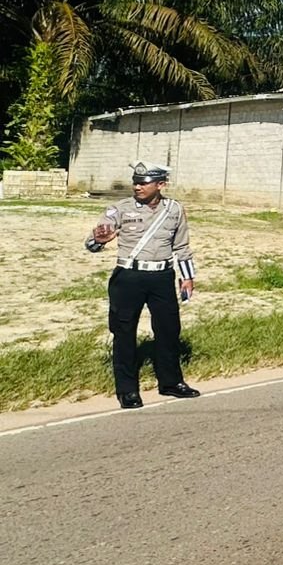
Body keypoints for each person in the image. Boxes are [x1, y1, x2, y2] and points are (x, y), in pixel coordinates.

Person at [84, 162, 202, 409]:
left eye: (143, 183)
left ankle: (171, 382)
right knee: (124, 333)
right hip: (129, 277)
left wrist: (187, 277)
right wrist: (98, 241)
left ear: (160, 184)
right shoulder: (119, 209)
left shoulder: (174, 209)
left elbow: (182, 246)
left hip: (162, 277)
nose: (137, 187)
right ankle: (127, 390)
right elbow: (93, 243)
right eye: (135, 182)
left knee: (169, 330)